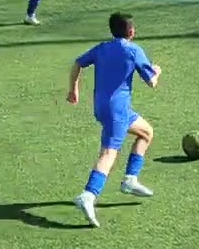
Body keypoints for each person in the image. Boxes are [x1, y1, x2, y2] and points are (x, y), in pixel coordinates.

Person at [69, 12, 161, 228]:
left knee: (146, 132)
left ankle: (130, 180)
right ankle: (89, 194)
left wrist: (73, 89)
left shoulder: (102, 48)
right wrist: (156, 71)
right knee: (109, 152)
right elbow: (152, 82)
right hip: (116, 111)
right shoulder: (134, 50)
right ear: (131, 32)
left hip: (103, 107)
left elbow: (77, 63)